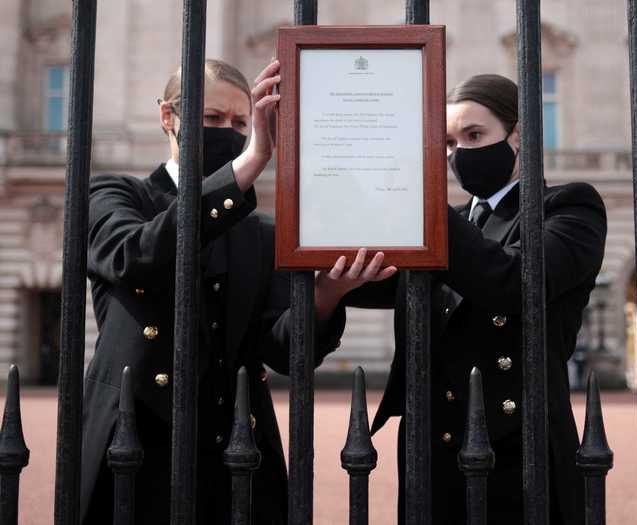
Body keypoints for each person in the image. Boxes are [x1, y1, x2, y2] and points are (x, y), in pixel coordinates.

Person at [80, 58, 396, 524]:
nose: (228, 131)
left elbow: (283, 350)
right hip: (135, 437)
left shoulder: (257, 232)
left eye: (240, 122)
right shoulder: (115, 194)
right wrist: (252, 162)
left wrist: (326, 295)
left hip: (235, 447)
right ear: (168, 116)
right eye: (212, 119)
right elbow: (135, 257)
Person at [344, 74, 607, 524]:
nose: (458, 154)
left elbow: (512, 282)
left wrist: (423, 200)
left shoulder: (569, 207)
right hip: (433, 449)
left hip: (519, 449)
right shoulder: (450, 223)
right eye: (447, 142)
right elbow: (378, 278)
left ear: (519, 133)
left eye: (474, 135)